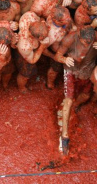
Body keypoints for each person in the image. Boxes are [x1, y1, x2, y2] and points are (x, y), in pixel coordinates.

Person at [54, 26, 97, 155]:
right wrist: (64, 59)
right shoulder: (70, 38)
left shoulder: (95, 37)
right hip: (71, 70)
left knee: (85, 96)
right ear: (79, 36)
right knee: (68, 100)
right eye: (85, 42)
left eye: (90, 42)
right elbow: (57, 56)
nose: (87, 44)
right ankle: (64, 136)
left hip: (87, 69)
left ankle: (74, 108)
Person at [16, 11, 50, 92]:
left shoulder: (29, 16)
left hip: (30, 47)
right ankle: (21, 88)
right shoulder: (25, 45)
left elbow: (40, 18)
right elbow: (32, 60)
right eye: (42, 38)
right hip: (23, 54)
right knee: (25, 73)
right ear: (35, 37)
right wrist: (42, 46)